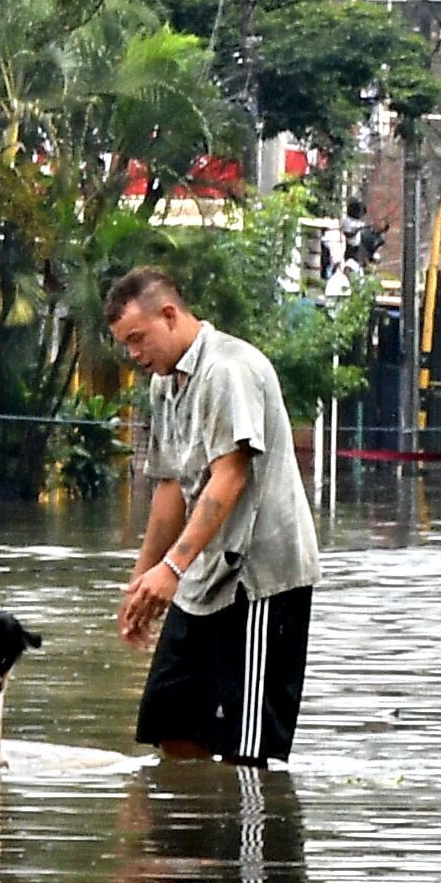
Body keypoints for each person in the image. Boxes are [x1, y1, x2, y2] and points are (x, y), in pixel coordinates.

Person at [105, 267, 321, 768]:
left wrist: (172, 569)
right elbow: (169, 489)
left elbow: (230, 476)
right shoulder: (165, 386)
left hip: (260, 577)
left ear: (170, 314)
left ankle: (248, 843)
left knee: (247, 755)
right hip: (203, 575)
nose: (134, 355)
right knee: (171, 723)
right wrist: (142, 580)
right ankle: (193, 839)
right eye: (125, 345)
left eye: (138, 339)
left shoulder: (229, 369)